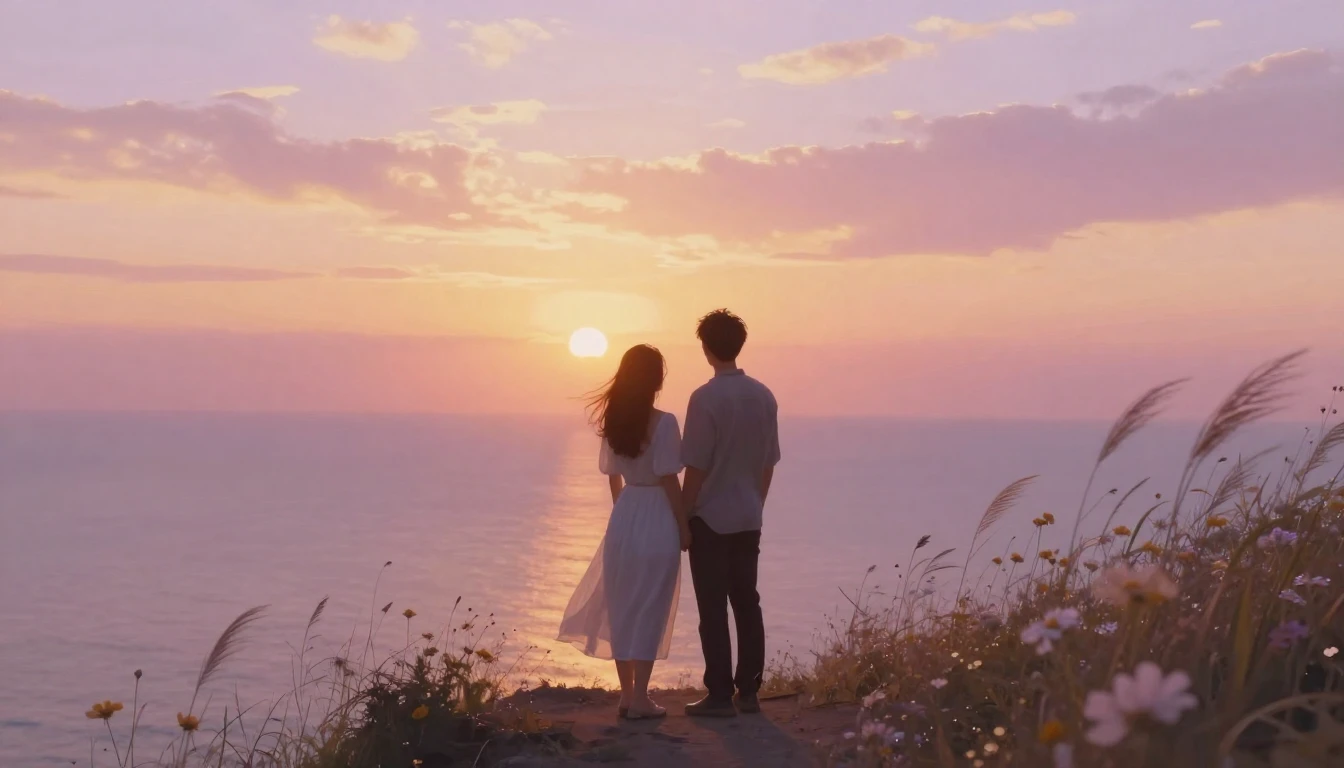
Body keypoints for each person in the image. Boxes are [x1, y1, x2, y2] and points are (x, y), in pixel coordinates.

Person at [557, 344, 692, 720]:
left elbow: (612, 475)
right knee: (650, 603)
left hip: (626, 512)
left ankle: (626, 695)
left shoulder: (615, 421)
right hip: (657, 513)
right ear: (656, 380)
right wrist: (683, 528)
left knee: (622, 603)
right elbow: (669, 479)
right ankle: (641, 698)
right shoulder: (664, 422)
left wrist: (622, 510)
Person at [681, 309, 780, 718]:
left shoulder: (705, 398)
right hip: (748, 515)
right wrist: (757, 503)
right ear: (739, 344)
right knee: (747, 602)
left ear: (705, 348)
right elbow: (768, 462)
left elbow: (696, 467)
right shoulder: (763, 395)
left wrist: (683, 518)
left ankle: (719, 694)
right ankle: (750, 691)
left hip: (710, 518)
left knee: (712, 608)